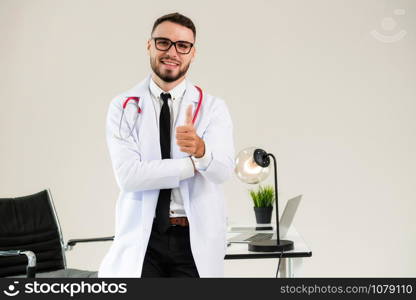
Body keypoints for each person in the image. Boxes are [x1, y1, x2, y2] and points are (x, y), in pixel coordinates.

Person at [98, 12, 235, 277]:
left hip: (192, 239)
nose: (172, 52)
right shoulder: (124, 107)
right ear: (149, 45)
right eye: (163, 42)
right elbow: (128, 176)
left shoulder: (213, 108)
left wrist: (202, 151)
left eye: (182, 46)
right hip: (145, 237)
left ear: (192, 53)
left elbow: (222, 172)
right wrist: (191, 164)